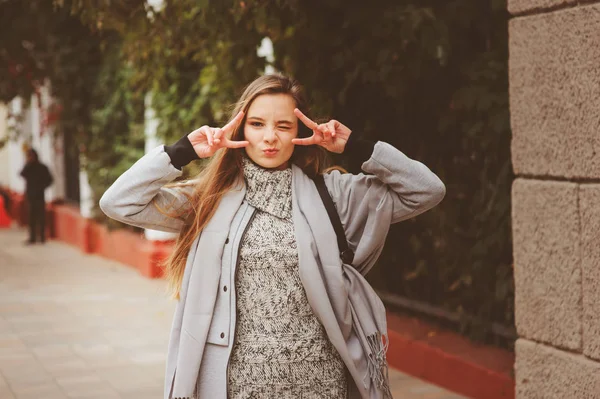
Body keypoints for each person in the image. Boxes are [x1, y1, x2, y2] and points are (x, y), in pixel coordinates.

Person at [100, 74, 445, 399]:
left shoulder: (335, 195)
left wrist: (355, 145)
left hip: (320, 382)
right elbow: (119, 203)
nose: (269, 137)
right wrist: (183, 152)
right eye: (257, 124)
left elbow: (426, 191)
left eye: (283, 125)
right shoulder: (208, 198)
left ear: (299, 131)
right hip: (239, 384)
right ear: (240, 128)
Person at [20, 148, 53, 244]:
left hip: (39, 195)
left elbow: (50, 180)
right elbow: (22, 174)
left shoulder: (42, 167)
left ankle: (42, 237)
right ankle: (32, 237)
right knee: (31, 217)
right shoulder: (28, 167)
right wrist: (27, 164)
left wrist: (42, 187)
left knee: (41, 216)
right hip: (30, 196)